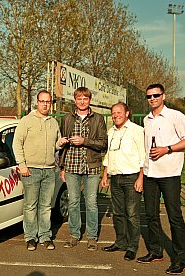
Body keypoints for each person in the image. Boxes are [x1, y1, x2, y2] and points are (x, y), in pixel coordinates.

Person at [137, 84, 185, 275]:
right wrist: (142, 173)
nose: (152, 98)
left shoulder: (175, 116)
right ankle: (155, 251)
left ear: (163, 96)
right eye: (149, 96)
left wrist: (167, 149)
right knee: (151, 215)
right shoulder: (146, 120)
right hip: (150, 174)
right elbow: (146, 150)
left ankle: (180, 259)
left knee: (174, 217)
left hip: (169, 174)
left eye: (156, 95)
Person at [13, 90, 68, 251]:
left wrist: (60, 143)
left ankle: (45, 235)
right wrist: (22, 165)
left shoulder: (53, 122)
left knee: (45, 206)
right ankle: (31, 237)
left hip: (49, 170)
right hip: (31, 170)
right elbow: (17, 143)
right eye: (42, 101)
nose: (45, 104)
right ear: (37, 102)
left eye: (48, 102)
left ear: (51, 104)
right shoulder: (26, 121)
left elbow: (55, 144)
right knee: (30, 206)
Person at [59, 87, 108, 251]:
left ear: (89, 100)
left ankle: (92, 237)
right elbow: (62, 145)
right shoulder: (67, 118)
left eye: (85, 98)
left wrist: (84, 141)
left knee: (91, 202)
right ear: (75, 100)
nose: (82, 101)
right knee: (73, 201)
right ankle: (74, 234)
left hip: (91, 166)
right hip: (71, 165)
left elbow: (103, 144)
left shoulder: (98, 118)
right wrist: (62, 166)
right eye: (79, 98)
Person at [100, 102, 144, 261]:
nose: (116, 115)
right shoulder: (111, 131)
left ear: (127, 113)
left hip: (131, 177)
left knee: (131, 214)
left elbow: (143, 155)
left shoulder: (137, 130)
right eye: (113, 113)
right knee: (118, 213)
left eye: (119, 112)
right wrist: (105, 174)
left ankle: (132, 246)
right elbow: (108, 155)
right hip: (115, 177)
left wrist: (141, 177)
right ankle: (120, 242)